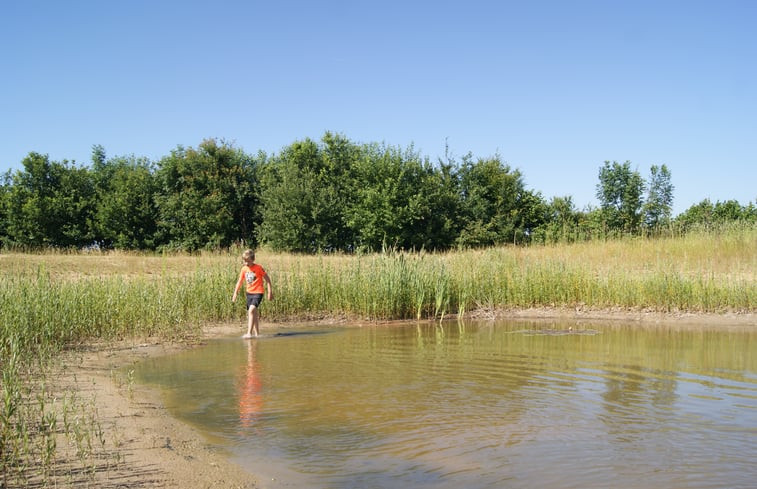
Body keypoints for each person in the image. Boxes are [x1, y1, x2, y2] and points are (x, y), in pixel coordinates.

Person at [232, 249, 273, 338]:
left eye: (247, 261)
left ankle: (249, 333)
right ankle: (257, 334)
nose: (245, 263)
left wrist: (270, 292)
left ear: (253, 260)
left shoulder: (259, 268)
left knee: (251, 310)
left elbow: (268, 280)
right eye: (244, 261)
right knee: (253, 313)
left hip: (258, 292)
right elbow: (240, 281)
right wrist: (235, 293)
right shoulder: (244, 269)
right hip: (249, 293)